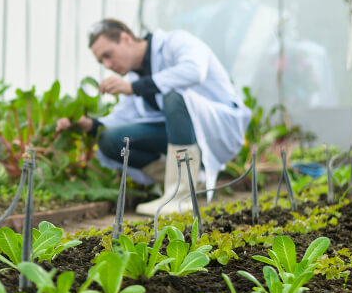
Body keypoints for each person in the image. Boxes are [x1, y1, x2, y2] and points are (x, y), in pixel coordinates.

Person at [57, 19, 250, 215]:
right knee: (111, 140)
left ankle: (181, 196)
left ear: (126, 38)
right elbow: (123, 116)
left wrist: (135, 88)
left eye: (108, 55)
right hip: (183, 134)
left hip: (219, 127)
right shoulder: (135, 76)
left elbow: (195, 71)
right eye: (101, 61)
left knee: (174, 96)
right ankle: (188, 183)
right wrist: (89, 124)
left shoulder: (177, 42)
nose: (107, 65)